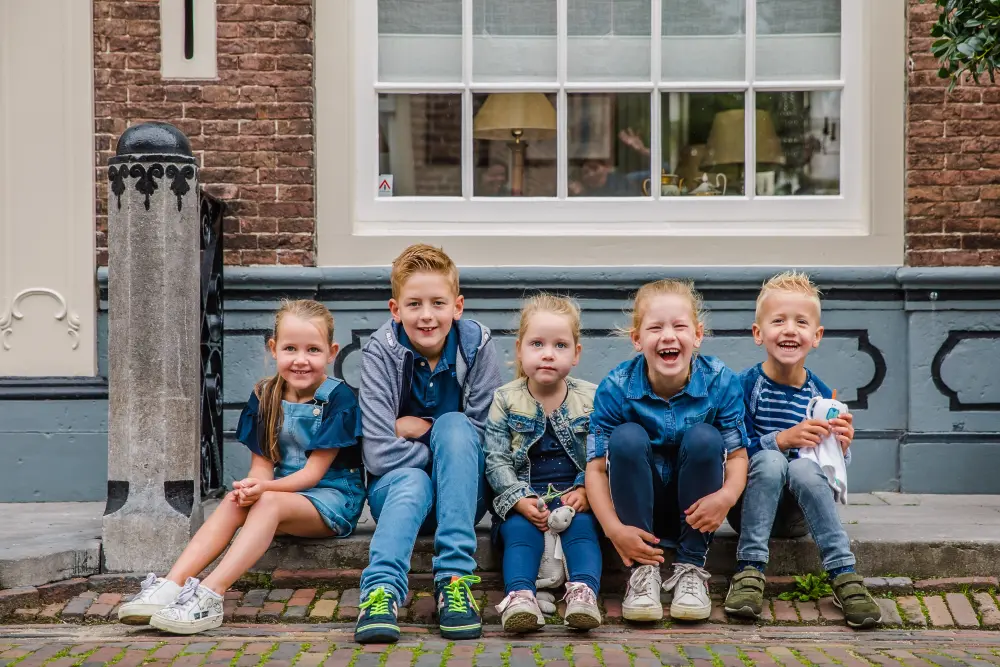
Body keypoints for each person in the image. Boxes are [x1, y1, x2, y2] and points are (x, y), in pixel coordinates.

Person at [117, 300, 365, 635]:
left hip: (332, 499)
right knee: (238, 499)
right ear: (273, 348)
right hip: (278, 495)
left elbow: (312, 475)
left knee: (266, 499)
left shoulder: (338, 399)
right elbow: (262, 468)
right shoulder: (265, 395)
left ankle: (210, 594)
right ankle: (171, 585)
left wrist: (264, 490)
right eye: (290, 348)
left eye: (313, 350)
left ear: (331, 352)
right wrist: (253, 486)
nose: (301, 360)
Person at [355, 244, 503, 644]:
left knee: (456, 427)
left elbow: (485, 442)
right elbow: (379, 453)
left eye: (437, 303)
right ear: (395, 309)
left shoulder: (476, 346)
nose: (426, 315)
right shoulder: (380, 352)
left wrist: (420, 428)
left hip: (464, 498)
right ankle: (381, 592)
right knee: (414, 480)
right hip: (398, 495)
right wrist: (448, 455)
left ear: (457, 307)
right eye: (414, 304)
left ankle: (454, 580)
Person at [723, 271, 881, 628]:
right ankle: (749, 572)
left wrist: (841, 445)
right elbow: (730, 450)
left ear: (816, 336)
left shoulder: (821, 395)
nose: (790, 330)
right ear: (758, 332)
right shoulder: (742, 386)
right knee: (769, 459)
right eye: (778, 321)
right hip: (747, 507)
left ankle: (844, 575)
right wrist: (780, 439)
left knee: (803, 468)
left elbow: (829, 467)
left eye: (801, 322)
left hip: (797, 515)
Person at [585, 280, 749, 623]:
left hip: (696, 510)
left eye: (679, 326)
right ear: (637, 339)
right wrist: (615, 530)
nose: (668, 336)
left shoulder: (720, 381)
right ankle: (642, 574)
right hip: (638, 510)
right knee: (627, 436)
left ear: (698, 335)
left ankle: (690, 569)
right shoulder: (615, 387)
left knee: (705, 437)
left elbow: (736, 457)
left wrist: (727, 496)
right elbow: (597, 469)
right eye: (655, 327)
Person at [485, 294, 602, 633]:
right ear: (520, 349)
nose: (548, 353)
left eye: (560, 345)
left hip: (574, 499)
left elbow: (600, 452)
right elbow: (496, 458)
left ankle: (582, 594)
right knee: (519, 533)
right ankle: (520, 596)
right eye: (537, 343)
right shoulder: (505, 399)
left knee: (583, 530)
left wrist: (585, 488)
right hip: (524, 500)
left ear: (576, 354)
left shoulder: (592, 398)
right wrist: (518, 499)